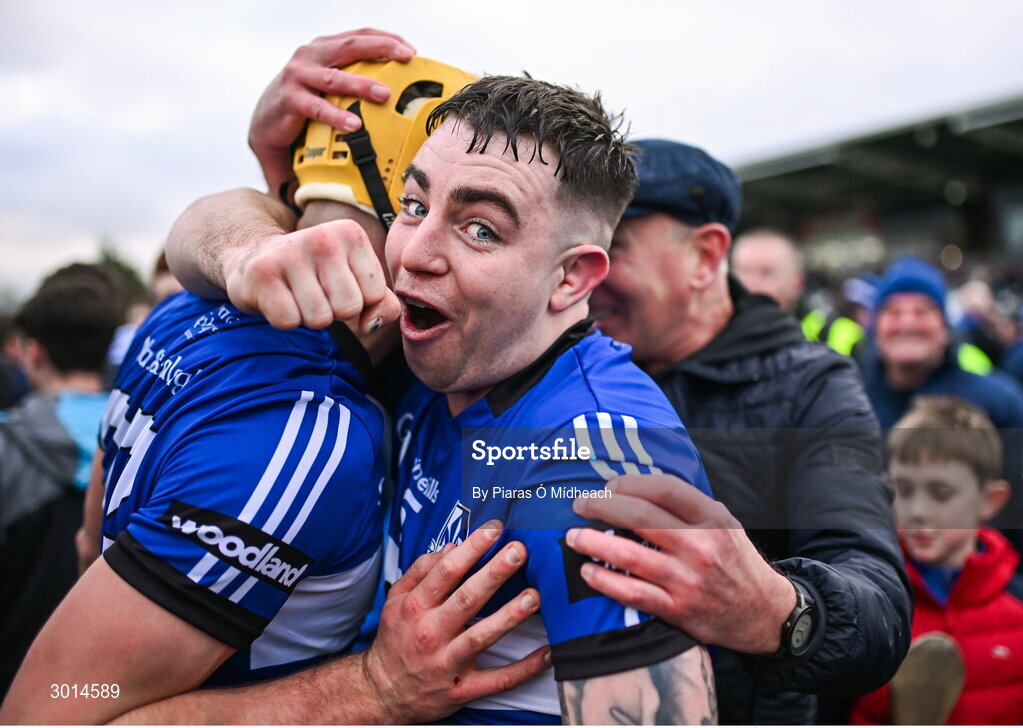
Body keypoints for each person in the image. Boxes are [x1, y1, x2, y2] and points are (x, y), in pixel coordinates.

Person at [0, 47, 548, 725]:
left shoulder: (185, 306)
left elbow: (93, 544)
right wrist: (371, 690)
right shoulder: (308, 428)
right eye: (473, 224)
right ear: (406, 205)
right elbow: (49, 713)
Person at [160, 60, 718, 723]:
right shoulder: (440, 358)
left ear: (570, 279)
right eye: (414, 206)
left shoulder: (591, 461)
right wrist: (271, 167)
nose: (413, 255)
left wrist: (375, 691)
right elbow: (204, 229)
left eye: (479, 228)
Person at [564, 138, 912, 724]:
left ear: (705, 257)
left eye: (612, 248)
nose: (586, 276)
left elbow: (879, 610)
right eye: (575, 252)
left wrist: (774, 610)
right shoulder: (559, 365)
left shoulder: (812, 388)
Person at [851, 396, 1023, 725]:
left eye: (941, 493)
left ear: (990, 500)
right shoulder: (865, 599)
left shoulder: (1018, 606)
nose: (917, 511)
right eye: (903, 489)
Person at [0, 275, 119, 701]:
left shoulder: (8, 446)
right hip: (113, 689)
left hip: (16, 686)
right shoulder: (148, 439)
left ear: (32, 353)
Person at [859, 255, 1023, 555]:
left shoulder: (1000, 401)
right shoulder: (845, 400)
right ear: (875, 328)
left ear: (946, 327)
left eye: (923, 310)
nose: (907, 322)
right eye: (893, 311)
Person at [731, 227, 804, 315]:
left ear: (797, 283)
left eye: (766, 273)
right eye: (744, 271)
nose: (751, 284)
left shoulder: (819, 325)